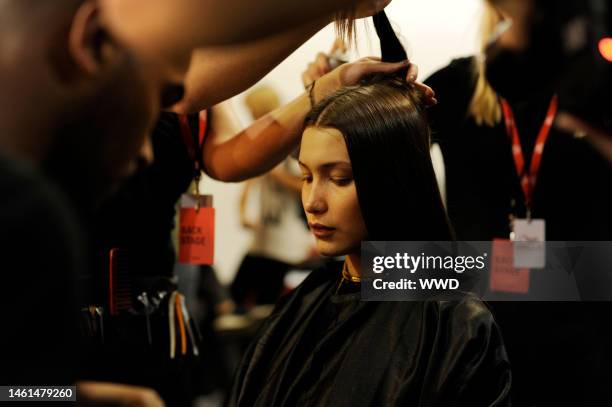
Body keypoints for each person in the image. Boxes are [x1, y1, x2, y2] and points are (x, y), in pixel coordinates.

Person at [227, 76, 511, 407]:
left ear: (391, 180)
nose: (312, 202)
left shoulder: (453, 325)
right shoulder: (304, 302)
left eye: (339, 179)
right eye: (306, 177)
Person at [422, 2, 612, 405]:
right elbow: (379, 147)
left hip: (585, 320)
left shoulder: (589, 89)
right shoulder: (455, 87)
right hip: (484, 323)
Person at [0, 0, 174, 405]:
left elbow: (13, 392)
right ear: (95, 41)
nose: (146, 152)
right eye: (161, 97)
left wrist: (75, 397)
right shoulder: (25, 215)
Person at [232, 86, 315, 309]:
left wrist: (275, 173)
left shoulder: (292, 143)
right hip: (263, 238)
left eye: (253, 112)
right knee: (237, 294)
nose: (250, 117)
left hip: (285, 242)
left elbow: (305, 185)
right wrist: (242, 212)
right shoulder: (263, 144)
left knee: (266, 305)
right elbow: (249, 182)